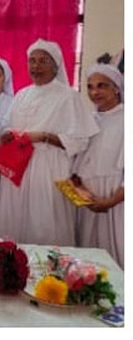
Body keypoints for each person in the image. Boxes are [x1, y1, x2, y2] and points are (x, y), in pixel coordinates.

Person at [0, 39, 99, 246]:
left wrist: (43, 137)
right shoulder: (22, 95)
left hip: (49, 168)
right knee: (14, 223)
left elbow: (80, 140)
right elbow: (6, 124)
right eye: (32, 61)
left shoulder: (68, 96)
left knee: (46, 225)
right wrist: (6, 133)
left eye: (43, 61)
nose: (36, 66)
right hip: (17, 167)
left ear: (55, 64)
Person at [73, 64, 124, 267]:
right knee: (88, 260)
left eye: (102, 85)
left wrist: (110, 201)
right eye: (90, 86)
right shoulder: (90, 119)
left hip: (115, 200)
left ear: (117, 88)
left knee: (116, 254)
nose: (95, 92)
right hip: (88, 199)